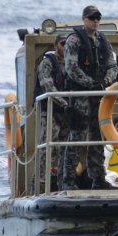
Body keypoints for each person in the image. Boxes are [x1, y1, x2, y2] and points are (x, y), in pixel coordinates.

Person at [61, 5, 117, 190]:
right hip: (79, 96)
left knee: (97, 136)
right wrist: (90, 83)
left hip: (98, 95)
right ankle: (68, 179)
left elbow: (112, 65)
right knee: (76, 136)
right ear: (84, 19)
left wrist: (105, 82)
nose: (96, 21)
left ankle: (98, 178)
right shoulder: (74, 40)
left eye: (98, 18)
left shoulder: (103, 41)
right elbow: (71, 68)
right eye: (92, 18)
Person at [33, 34, 69, 192]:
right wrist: (64, 102)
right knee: (47, 146)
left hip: (67, 112)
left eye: (68, 44)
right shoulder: (47, 63)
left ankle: (64, 181)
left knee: (65, 147)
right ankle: (41, 183)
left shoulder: (72, 64)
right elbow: (48, 86)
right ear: (55, 45)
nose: (65, 47)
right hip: (50, 110)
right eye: (63, 43)